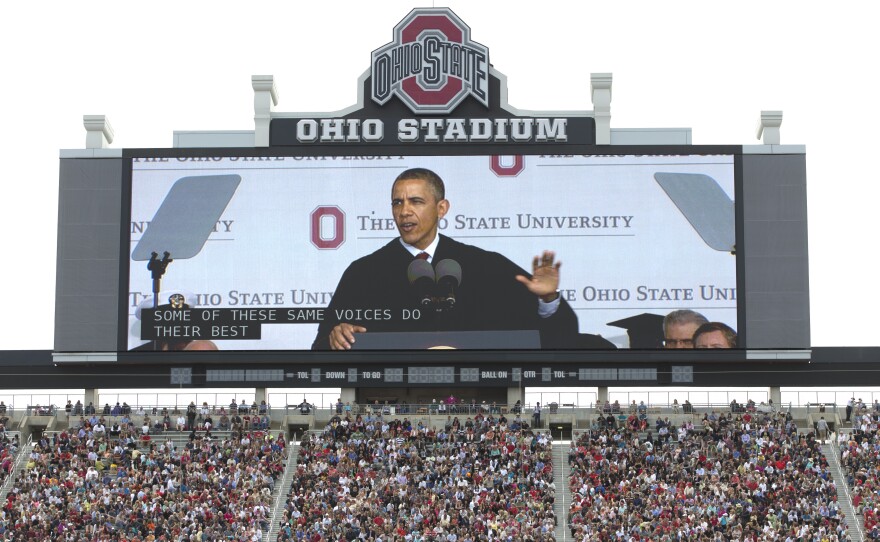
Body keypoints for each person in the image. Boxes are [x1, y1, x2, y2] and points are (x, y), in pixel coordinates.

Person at [312, 167, 579, 350]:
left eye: (416, 201)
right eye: (397, 203)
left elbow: (556, 337)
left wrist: (547, 299)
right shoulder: (363, 273)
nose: (404, 211)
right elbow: (321, 345)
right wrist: (334, 337)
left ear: (442, 208)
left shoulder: (486, 266)